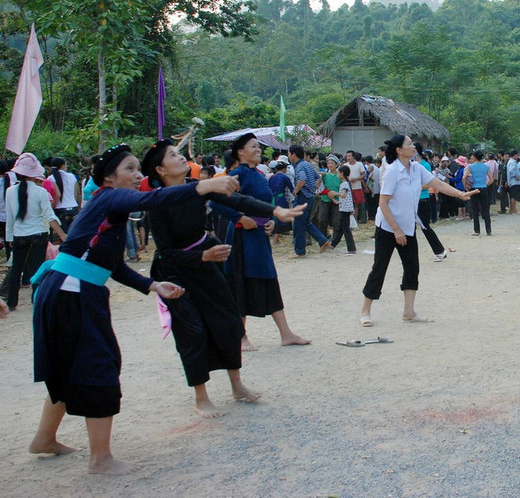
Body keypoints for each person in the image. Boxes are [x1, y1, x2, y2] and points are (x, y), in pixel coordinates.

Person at [30, 143, 241, 474]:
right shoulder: (109, 196)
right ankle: (100, 459)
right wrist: (205, 185)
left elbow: (113, 266)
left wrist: (153, 285)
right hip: (72, 293)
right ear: (109, 178)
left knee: (68, 365)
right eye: (129, 169)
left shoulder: (109, 209)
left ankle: (44, 439)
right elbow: (153, 199)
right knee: (98, 365)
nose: (137, 175)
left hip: (69, 291)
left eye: (137, 169)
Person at [141, 139, 304, 417]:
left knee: (228, 321)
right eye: (173, 156)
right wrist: (202, 257)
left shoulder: (198, 188)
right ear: (160, 169)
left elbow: (237, 199)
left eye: (179, 153)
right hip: (177, 271)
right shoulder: (157, 204)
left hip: (208, 260)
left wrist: (275, 211)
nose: (181, 158)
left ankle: (237, 385)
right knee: (192, 331)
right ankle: (201, 396)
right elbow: (166, 252)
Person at [359, 135, 477, 327]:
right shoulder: (392, 171)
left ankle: (409, 312)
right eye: (409, 144)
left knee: (412, 268)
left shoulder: (416, 168)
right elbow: (383, 203)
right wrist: (396, 230)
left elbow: (437, 184)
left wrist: (460, 194)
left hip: (407, 227)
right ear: (399, 149)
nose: (413, 146)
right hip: (388, 227)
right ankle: (365, 311)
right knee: (379, 268)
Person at [212, 133, 311, 350]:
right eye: (253, 146)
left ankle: (286, 333)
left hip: (259, 234)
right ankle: (240, 336)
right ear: (240, 152)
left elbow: (264, 204)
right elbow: (215, 200)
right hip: (241, 236)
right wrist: (240, 218)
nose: (258, 149)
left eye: (259, 146)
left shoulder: (257, 174)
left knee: (268, 278)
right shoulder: (238, 174)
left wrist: (272, 221)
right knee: (241, 280)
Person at [1, 153, 68, 310]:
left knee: (16, 268)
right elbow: (50, 217)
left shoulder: (10, 191)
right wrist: (63, 235)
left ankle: (12, 303)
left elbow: (10, 217)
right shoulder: (41, 192)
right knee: (37, 268)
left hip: (18, 236)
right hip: (39, 234)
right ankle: (36, 298)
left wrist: (9, 237)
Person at [288, 145, 330, 259]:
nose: (288, 156)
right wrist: (313, 189)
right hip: (310, 197)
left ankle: (300, 251)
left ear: (294, 155)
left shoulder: (299, 167)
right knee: (306, 222)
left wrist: (296, 191)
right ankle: (323, 240)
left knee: (298, 224)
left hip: (302, 197)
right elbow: (318, 178)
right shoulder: (307, 164)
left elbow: (302, 179)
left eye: (289, 153)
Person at [414, 142, 451, 261]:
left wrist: (413, 188)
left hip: (422, 199)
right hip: (412, 200)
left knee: (425, 227)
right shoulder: (411, 165)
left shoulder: (424, 165)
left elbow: (427, 184)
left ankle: (440, 251)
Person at [46, 157, 81, 232]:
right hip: (73, 207)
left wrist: (52, 207)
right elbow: (77, 193)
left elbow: (57, 195)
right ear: (62, 166)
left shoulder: (51, 178)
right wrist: (79, 207)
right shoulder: (72, 176)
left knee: (63, 235)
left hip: (60, 209)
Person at [328, 165, 357, 254]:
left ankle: (351, 248)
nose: (337, 174)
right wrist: (336, 200)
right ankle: (333, 244)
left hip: (345, 209)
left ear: (342, 173)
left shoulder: (344, 184)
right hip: (344, 207)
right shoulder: (345, 183)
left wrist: (335, 193)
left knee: (345, 228)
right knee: (341, 227)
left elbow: (343, 195)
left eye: (338, 172)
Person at [467, 150, 493, 236]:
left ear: (474, 157)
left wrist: (466, 187)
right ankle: (488, 230)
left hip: (474, 189)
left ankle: (477, 231)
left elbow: (464, 177)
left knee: (475, 210)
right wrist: (485, 184)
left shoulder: (470, 166)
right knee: (485, 210)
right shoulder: (486, 167)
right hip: (483, 189)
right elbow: (491, 179)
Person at [506, 150, 520, 215]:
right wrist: (516, 176)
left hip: (512, 182)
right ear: (515, 155)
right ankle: (513, 210)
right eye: (517, 155)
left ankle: (511, 210)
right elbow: (511, 171)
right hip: (514, 182)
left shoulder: (512, 162)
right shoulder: (512, 162)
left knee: (512, 196)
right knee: (514, 197)